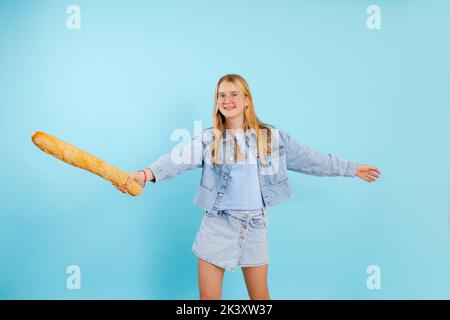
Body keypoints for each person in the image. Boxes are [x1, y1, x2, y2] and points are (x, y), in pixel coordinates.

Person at [113, 74, 381, 300]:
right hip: (217, 225)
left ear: (247, 100)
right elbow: (177, 159)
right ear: (216, 102)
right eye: (221, 96)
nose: (226, 100)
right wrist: (145, 174)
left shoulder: (271, 137)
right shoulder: (210, 139)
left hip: (254, 225)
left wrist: (351, 168)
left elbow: (310, 159)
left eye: (233, 94)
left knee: (260, 300)